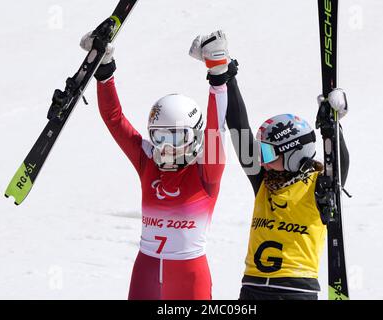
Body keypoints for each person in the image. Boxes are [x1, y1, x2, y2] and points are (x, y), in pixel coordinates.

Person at [79, 30, 233, 300]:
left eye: (177, 136)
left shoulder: (206, 169)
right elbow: (115, 121)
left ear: (195, 135)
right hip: (146, 270)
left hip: (189, 274)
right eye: (160, 136)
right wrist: (104, 70)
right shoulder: (148, 161)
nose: (167, 146)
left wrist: (218, 78)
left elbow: (215, 129)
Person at [222, 48, 350, 299]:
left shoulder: (319, 186)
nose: (262, 162)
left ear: (294, 153)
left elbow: (339, 164)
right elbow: (239, 132)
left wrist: (334, 126)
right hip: (251, 288)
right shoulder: (264, 183)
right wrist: (226, 76)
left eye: (269, 155)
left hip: (295, 291)